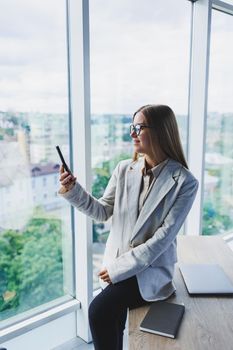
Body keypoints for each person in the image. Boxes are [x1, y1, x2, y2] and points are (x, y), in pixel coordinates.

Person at [59, 104, 198, 350]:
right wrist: (73, 190)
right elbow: (102, 211)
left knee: (99, 311)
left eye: (138, 127)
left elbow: (162, 239)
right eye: (131, 127)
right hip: (116, 265)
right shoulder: (124, 169)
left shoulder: (185, 182)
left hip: (148, 271)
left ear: (160, 131)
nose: (132, 133)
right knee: (111, 321)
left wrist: (118, 269)